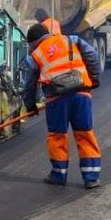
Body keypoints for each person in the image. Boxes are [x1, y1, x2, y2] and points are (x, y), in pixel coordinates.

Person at [20, 22, 103, 188]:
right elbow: (92, 56)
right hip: (81, 93)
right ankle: (91, 177)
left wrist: (30, 106)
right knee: (85, 133)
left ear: (33, 42)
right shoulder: (72, 40)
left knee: (57, 135)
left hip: (57, 99)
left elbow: (29, 84)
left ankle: (58, 175)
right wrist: (94, 79)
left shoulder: (35, 55)